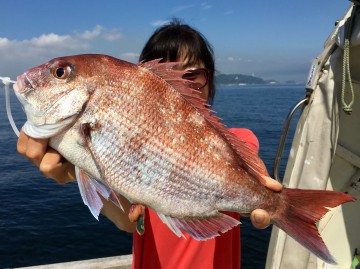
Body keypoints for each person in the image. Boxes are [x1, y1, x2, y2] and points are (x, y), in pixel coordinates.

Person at [17, 19, 282, 269]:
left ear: (210, 78)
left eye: (192, 75)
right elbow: (127, 221)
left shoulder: (241, 139)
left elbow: (253, 177)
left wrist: (266, 197)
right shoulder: (130, 150)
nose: (179, 87)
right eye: (164, 79)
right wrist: (75, 171)